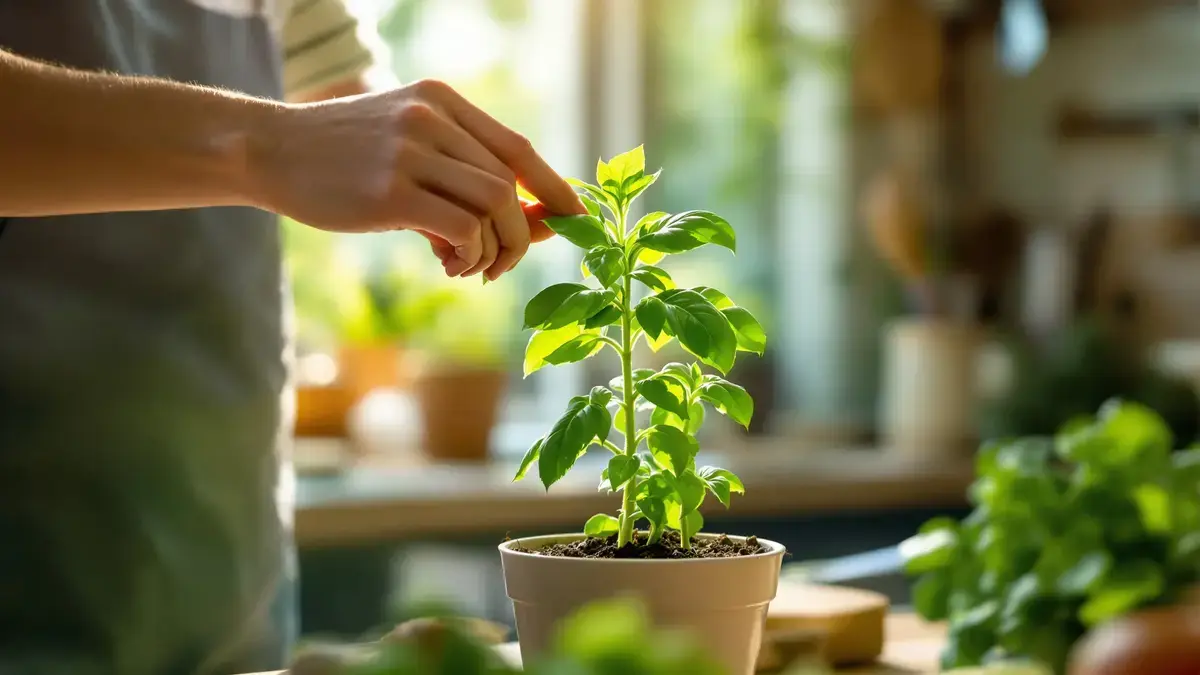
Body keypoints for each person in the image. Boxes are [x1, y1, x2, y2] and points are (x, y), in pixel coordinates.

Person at [0, 2, 583, 674]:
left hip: (225, 594)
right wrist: (264, 145)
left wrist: (440, 168)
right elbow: (292, 139)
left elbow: (341, 106)